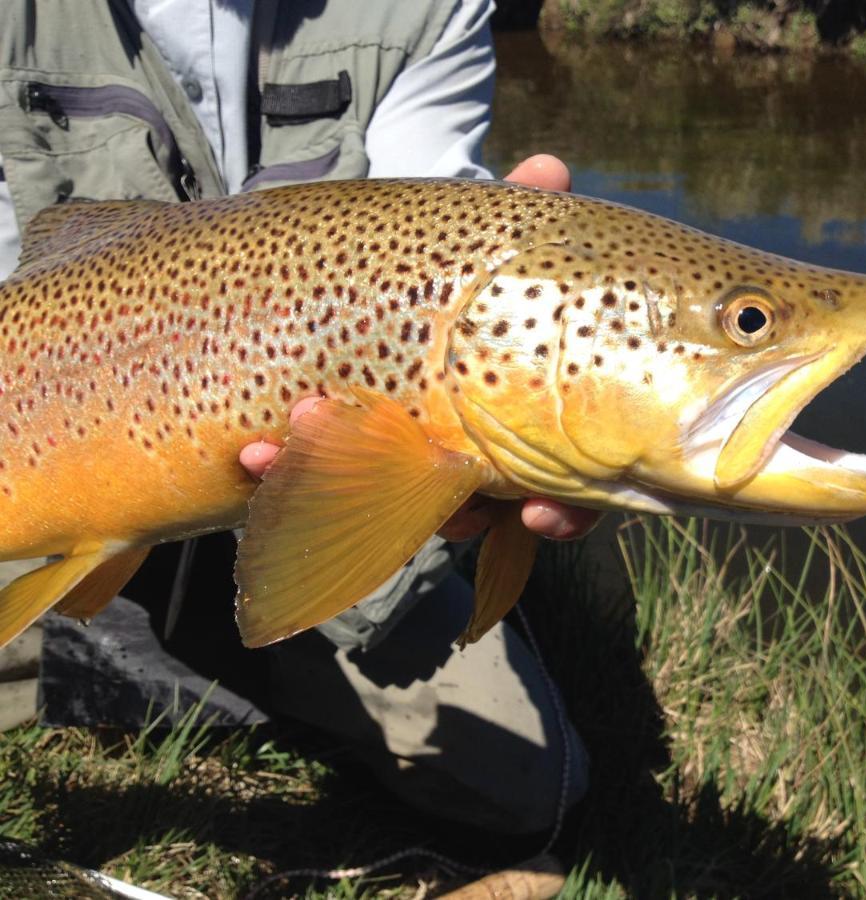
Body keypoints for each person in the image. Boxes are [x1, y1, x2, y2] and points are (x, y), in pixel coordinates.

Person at [0, 0, 597, 835]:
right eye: (746, 326)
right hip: (48, 441)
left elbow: (439, 216)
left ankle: (203, 659)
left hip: (325, 494)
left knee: (534, 782)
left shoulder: (428, 11)